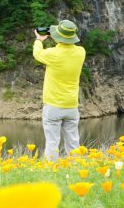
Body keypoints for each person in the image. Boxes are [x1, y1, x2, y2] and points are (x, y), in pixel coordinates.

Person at [32, 20, 86, 161]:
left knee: (52, 142)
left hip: (53, 106)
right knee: (73, 141)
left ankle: (51, 169)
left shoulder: (53, 54)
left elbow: (37, 53)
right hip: (71, 105)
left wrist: (39, 39)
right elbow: (67, 46)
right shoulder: (81, 52)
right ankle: (77, 166)